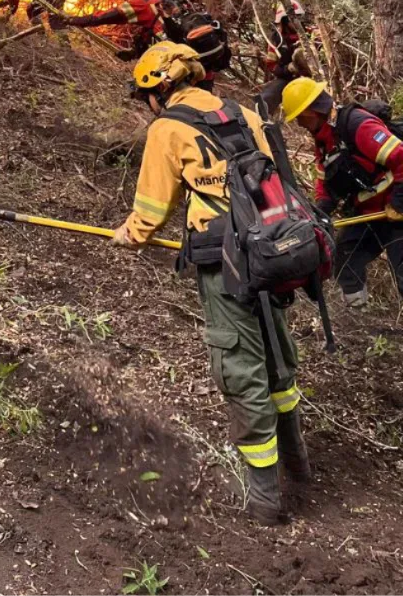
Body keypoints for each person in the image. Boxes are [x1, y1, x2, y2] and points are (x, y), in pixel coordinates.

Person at [112, 41, 309, 525]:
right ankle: (299, 462)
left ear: (159, 89)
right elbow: (280, 176)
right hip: (274, 248)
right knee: (277, 353)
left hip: (227, 262)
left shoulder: (169, 128)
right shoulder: (242, 112)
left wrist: (130, 234)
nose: (149, 108)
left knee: (240, 365)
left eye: (147, 98)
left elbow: (153, 210)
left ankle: (265, 499)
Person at [282, 77, 403, 309]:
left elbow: (401, 158)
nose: (298, 123)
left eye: (299, 116)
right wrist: (322, 209)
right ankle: (362, 323)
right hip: (370, 212)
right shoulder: (324, 138)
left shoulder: (357, 125)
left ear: (312, 110)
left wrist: (399, 202)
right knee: (345, 261)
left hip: (396, 208)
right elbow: (323, 178)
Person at [59, 0, 230, 87]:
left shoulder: (146, 3)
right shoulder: (183, 0)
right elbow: (157, 32)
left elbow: (104, 17)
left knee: (174, 112)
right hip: (204, 70)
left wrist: (73, 20)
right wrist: (134, 52)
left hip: (178, 71)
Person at [259, 0, 315, 116]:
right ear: (284, 20)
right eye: (291, 18)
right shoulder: (276, 39)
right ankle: (262, 123)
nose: (295, 21)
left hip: (312, 78)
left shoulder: (310, 33)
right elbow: (272, 65)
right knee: (266, 98)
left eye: (297, 17)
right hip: (288, 78)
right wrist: (288, 69)